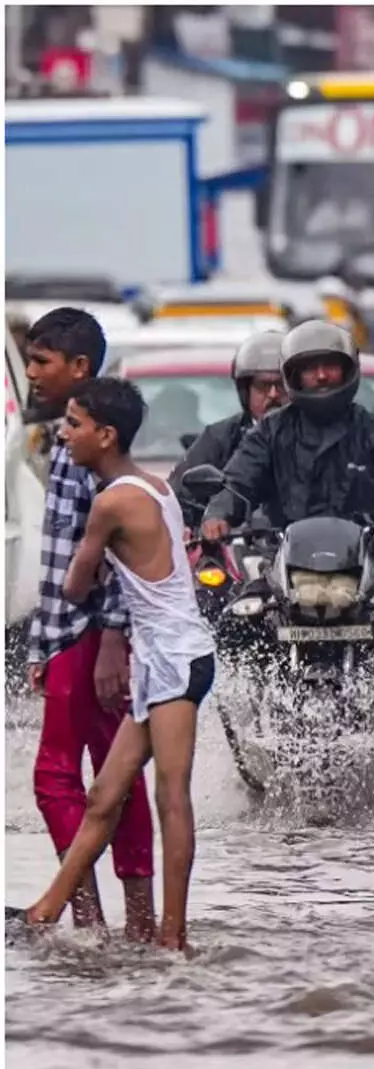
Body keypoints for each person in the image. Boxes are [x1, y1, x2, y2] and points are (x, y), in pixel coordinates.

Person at [19, 378, 217, 952]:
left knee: (170, 797)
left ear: (106, 436)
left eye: (75, 424)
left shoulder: (110, 502)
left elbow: (74, 586)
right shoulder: (152, 486)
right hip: (161, 661)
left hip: (177, 660)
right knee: (105, 796)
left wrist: (89, 546)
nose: (65, 433)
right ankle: (44, 912)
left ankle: (172, 939)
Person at [19, 307, 155, 940]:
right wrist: (42, 645)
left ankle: (90, 918)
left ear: (79, 369)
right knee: (110, 779)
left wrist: (110, 640)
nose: (30, 374)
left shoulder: (91, 450)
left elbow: (119, 562)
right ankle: (131, 923)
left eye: (41, 362)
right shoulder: (67, 441)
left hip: (91, 635)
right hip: (69, 636)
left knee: (61, 777)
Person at [201, 321, 374, 540]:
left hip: (365, 561)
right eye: (311, 368)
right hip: (284, 561)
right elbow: (239, 480)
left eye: (330, 366)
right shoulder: (270, 430)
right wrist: (218, 515)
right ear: (294, 375)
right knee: (244, 589)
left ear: (348, 370)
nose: (321, 375)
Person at [169, 330, 287, 529]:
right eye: (263, 386)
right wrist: (207, 522)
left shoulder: (317, 435)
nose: (273, 395)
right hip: (236, 551)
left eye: (281, 385)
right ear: (245, 391)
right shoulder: (219, 438)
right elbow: (177, 501)